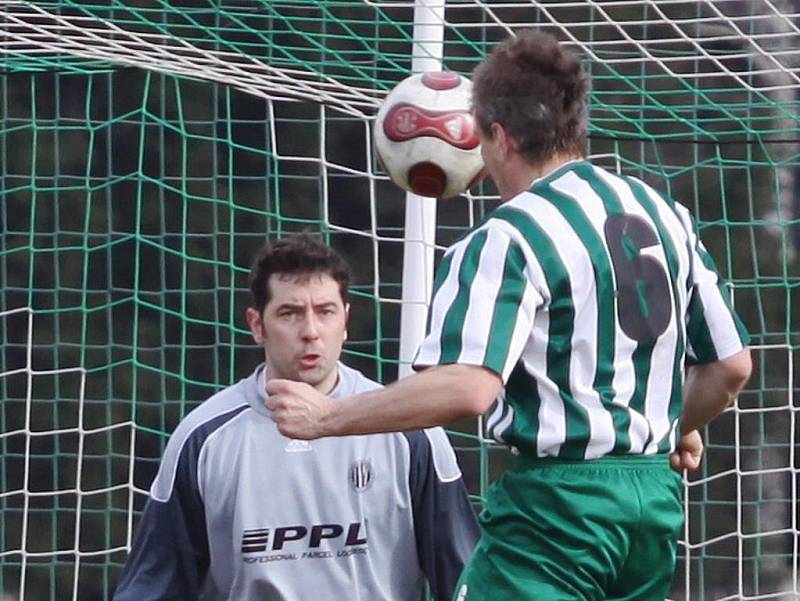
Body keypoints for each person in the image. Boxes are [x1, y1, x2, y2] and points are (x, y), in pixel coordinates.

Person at [265, 31, 753, 601]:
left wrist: (328, 417)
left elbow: (467, 387)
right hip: (652, 509)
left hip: (557, 514)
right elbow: (732, 367)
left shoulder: (510, 235)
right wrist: (660, 428)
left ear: (496, 136)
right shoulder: (664, 212)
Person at [113, 233, 479, 601]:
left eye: (325, 311)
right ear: (257, 325)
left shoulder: (408, 430)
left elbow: (464, 577)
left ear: (345, 321)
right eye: (290, 314)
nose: (310, 332)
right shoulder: (203, 438)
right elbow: (153, 585)